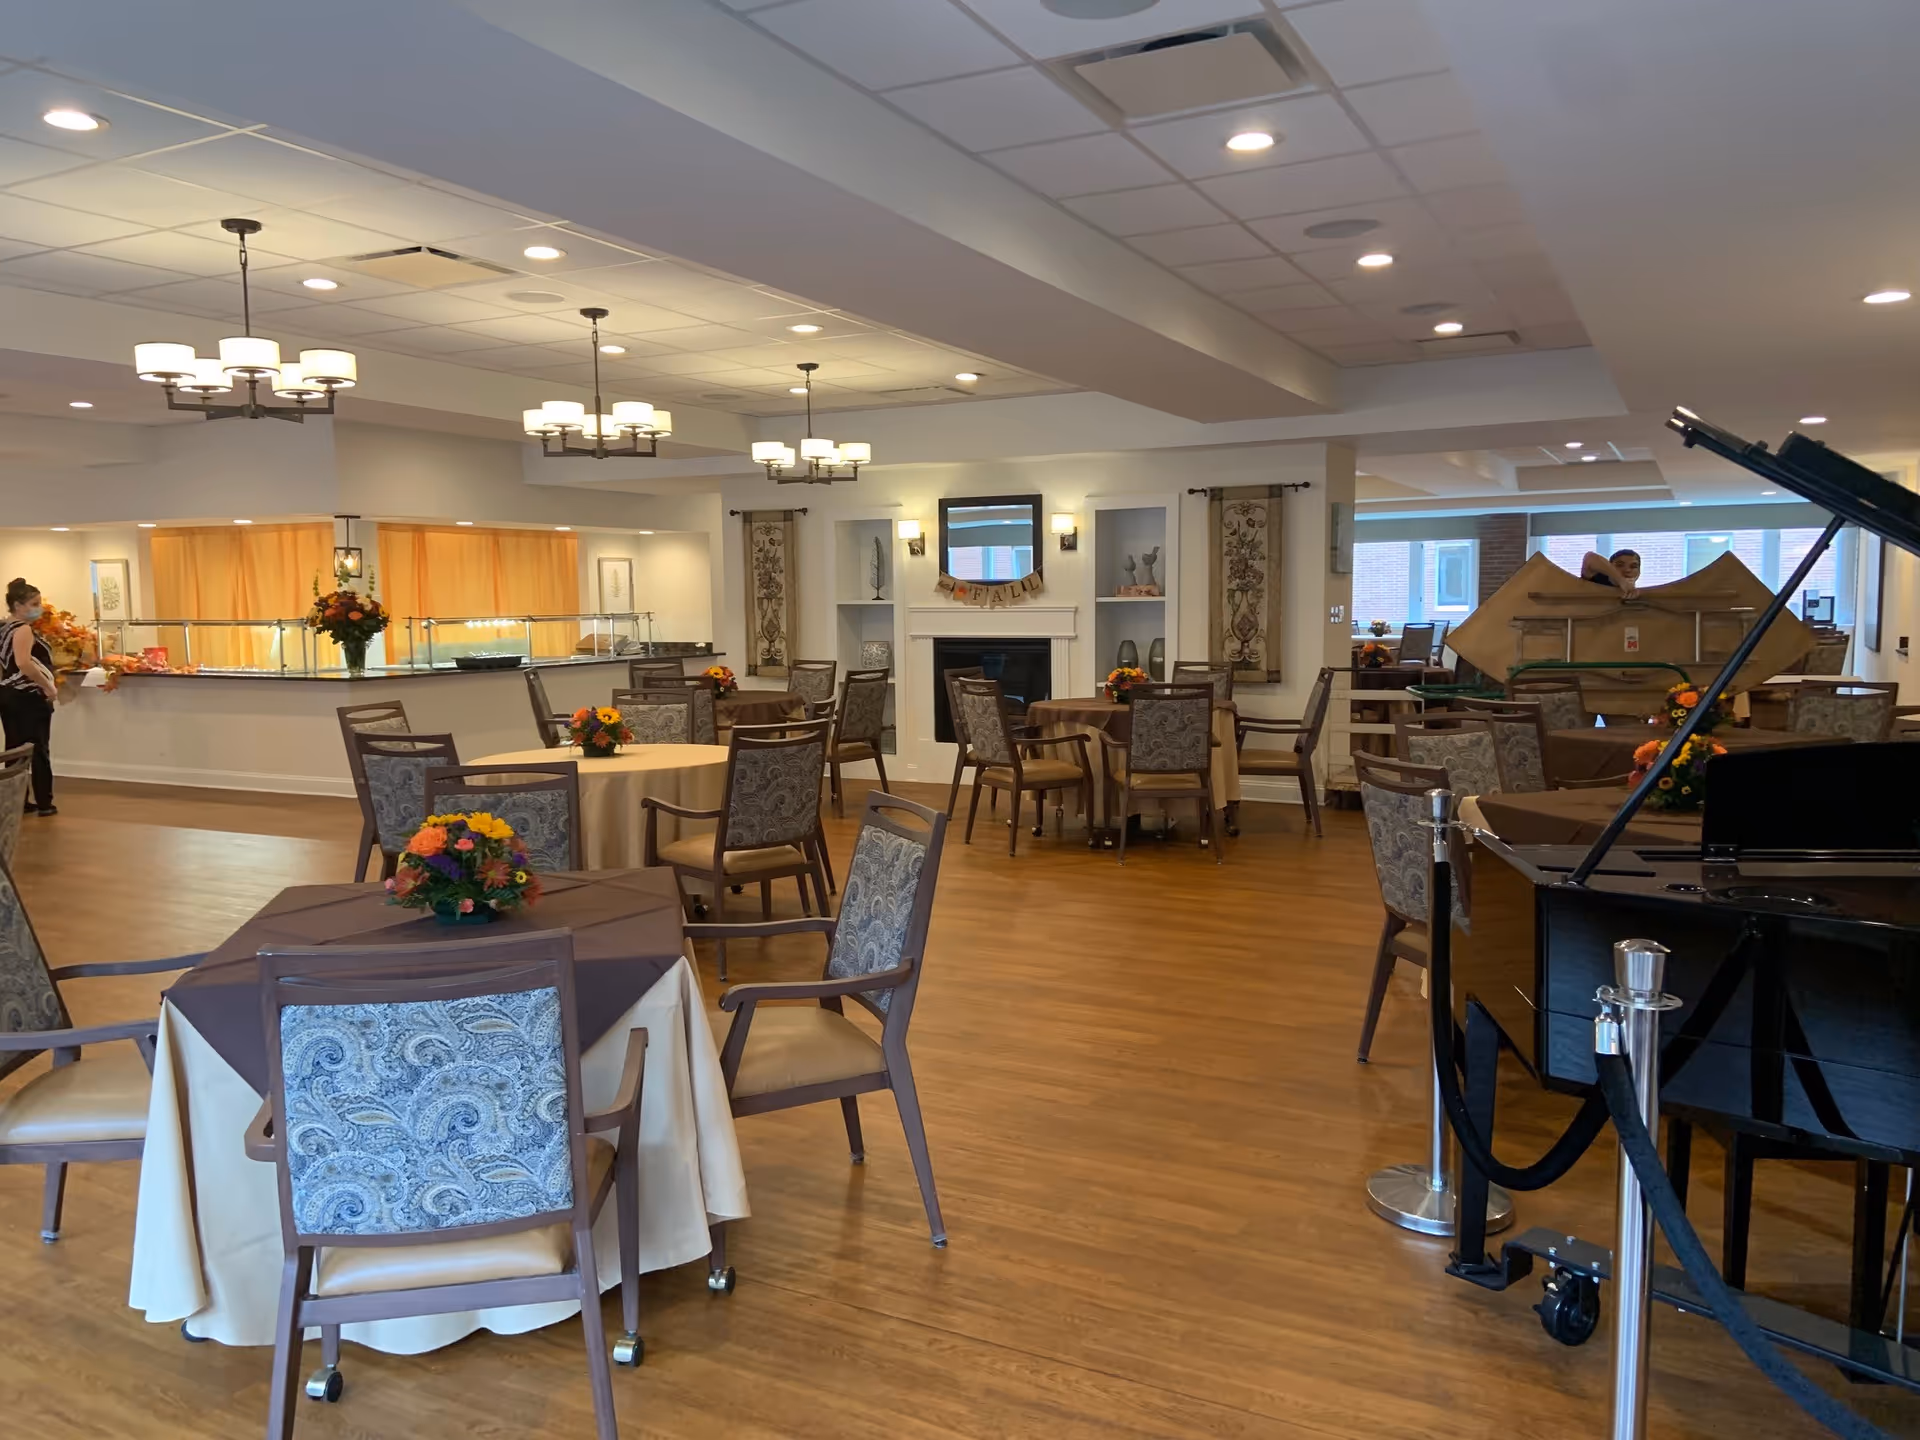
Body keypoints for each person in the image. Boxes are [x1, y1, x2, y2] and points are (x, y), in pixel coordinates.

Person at [0, 579, 59, 816]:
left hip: (8, 695)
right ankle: (44, 802)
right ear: (18, 605)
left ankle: (16, 800)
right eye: (34, 603)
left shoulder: (3, 627)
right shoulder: (22, 629)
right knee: (38, 749)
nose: (39, 607)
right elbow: (24, 663)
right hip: (28, 696)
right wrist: (48, 687)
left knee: (14, 748)